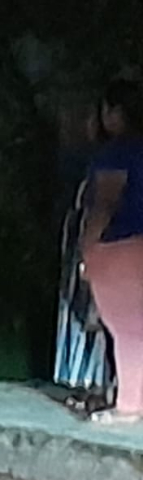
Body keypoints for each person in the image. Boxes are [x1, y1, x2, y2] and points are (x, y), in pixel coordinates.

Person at [80, 79, 143, 425]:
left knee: (128, 330)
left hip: (121, 246)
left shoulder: (115, 155)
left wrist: (87, 249)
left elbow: (105, 203)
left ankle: (130, 405)